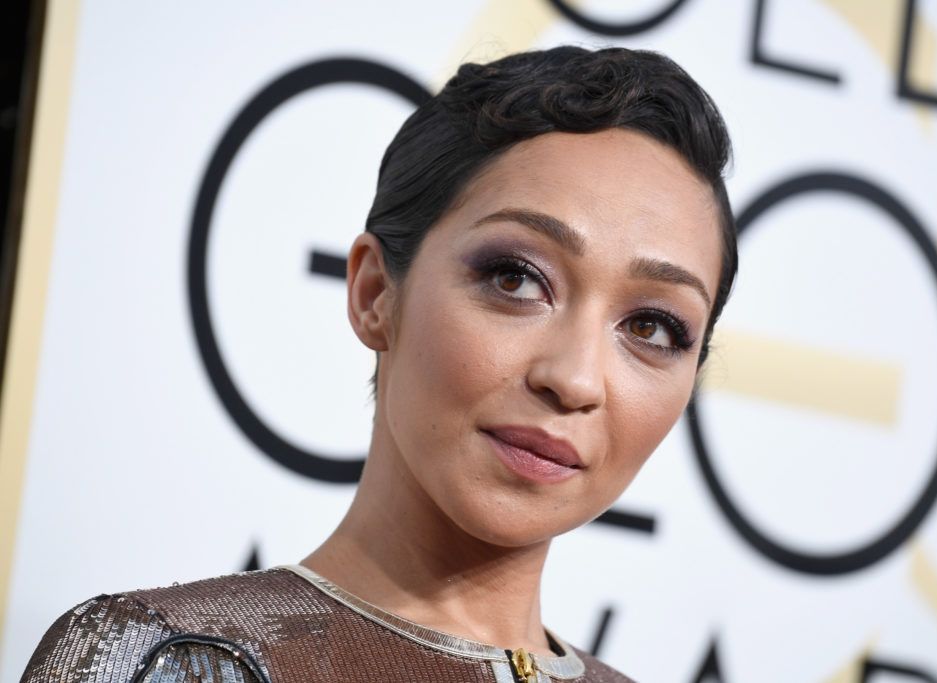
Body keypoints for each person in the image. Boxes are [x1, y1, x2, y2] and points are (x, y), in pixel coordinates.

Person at [22, 45, 737, 683]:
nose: (575, 377)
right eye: (516, 278)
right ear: (374, 292)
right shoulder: (173, 662)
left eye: (652, 326)